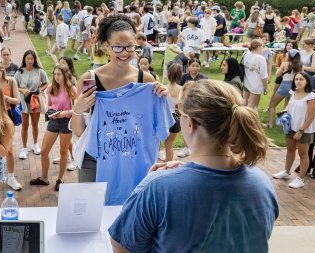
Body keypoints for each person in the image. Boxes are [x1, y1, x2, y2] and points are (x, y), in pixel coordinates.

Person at [109, 79, 279, 252]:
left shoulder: (157, 190)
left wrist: (147, 187)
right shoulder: (262, 183)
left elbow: (121, 247)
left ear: (190, 123)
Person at [70, 14, 168, 205]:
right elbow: (79, 130)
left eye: (130, 46)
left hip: (132, 160)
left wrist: (162, 95)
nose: (124, 52)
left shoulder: (146, 80)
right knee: (92, 215)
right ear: (106, 46)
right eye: (118, 47)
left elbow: (158, 129)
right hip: (94, 160)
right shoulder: (90, 79)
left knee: (131, 213)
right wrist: (77, 110)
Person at [30, 65, 76, 191]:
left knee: (63, 151)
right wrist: (51, 111)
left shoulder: (72, 89)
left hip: (67, 121)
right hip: (54, 120)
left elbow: (77, 109)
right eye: (55, 74)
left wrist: (65, 113)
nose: (56, 77)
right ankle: (44, 178)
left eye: (59, 74)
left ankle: (60, 180)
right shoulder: (50, 88)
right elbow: (49, 105)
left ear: (65, 75)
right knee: (44, 151)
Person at [273, 72, 315, 188]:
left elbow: (311, 117)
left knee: (303, 153)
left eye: (301, 79)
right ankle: (286, 172)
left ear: (307, 81)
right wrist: (284, 112)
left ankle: (301, 178)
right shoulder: (293, 93)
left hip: (304, 129)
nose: (298, 81)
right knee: (290, 149)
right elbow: (289, 106)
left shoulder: (311, 97)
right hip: (290, 126)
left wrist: (301, 131)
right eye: (296, 79)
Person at [0, 61, 22, 191]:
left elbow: (17, 101)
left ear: (3, 72)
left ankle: (11, 177)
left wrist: (4, 98)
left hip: (7, 116)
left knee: (8, 149)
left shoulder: (11, 81)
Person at [14, 50, 49, 160]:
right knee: (24, 125)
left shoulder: (39, 71)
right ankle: (24, 148)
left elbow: (46, 83)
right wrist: (22, 90)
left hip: (35, 101)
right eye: (28, 58)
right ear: (24, 59)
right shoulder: (19, 72)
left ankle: (35, 144)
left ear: (34, 59)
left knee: (35, 124)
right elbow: (14, 86)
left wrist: (40, 90)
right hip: (24, 101)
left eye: (32, 58)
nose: (30, 60)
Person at [267, 49, 303, 128]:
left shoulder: (284, 63)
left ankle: (270, 124)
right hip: (294, 87)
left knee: (272, 104)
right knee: (289, 106)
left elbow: (277, 75)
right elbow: (302, 76)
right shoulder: (300, 65)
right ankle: (287, 124)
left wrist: (278, 69)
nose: (286, 54)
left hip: (284, 85)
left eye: (287, 54)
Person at [242, 39, 268, 111]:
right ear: (258, 47)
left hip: (246, 83)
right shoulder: (261, 59)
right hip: (256, 86)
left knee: (244, 102)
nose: (262, 48)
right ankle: (249, 121)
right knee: (252, 106)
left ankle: (240, 117)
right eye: (262, 46)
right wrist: (265, 87)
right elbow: (264, 76)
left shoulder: (245, 54)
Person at [164, 63, 182, 162]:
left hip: (166, 118)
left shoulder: (164, 88)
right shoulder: (182, 89)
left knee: (158, 144)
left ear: (167, 73)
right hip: (177, 119)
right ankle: (168, 165)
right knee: (169, 145)